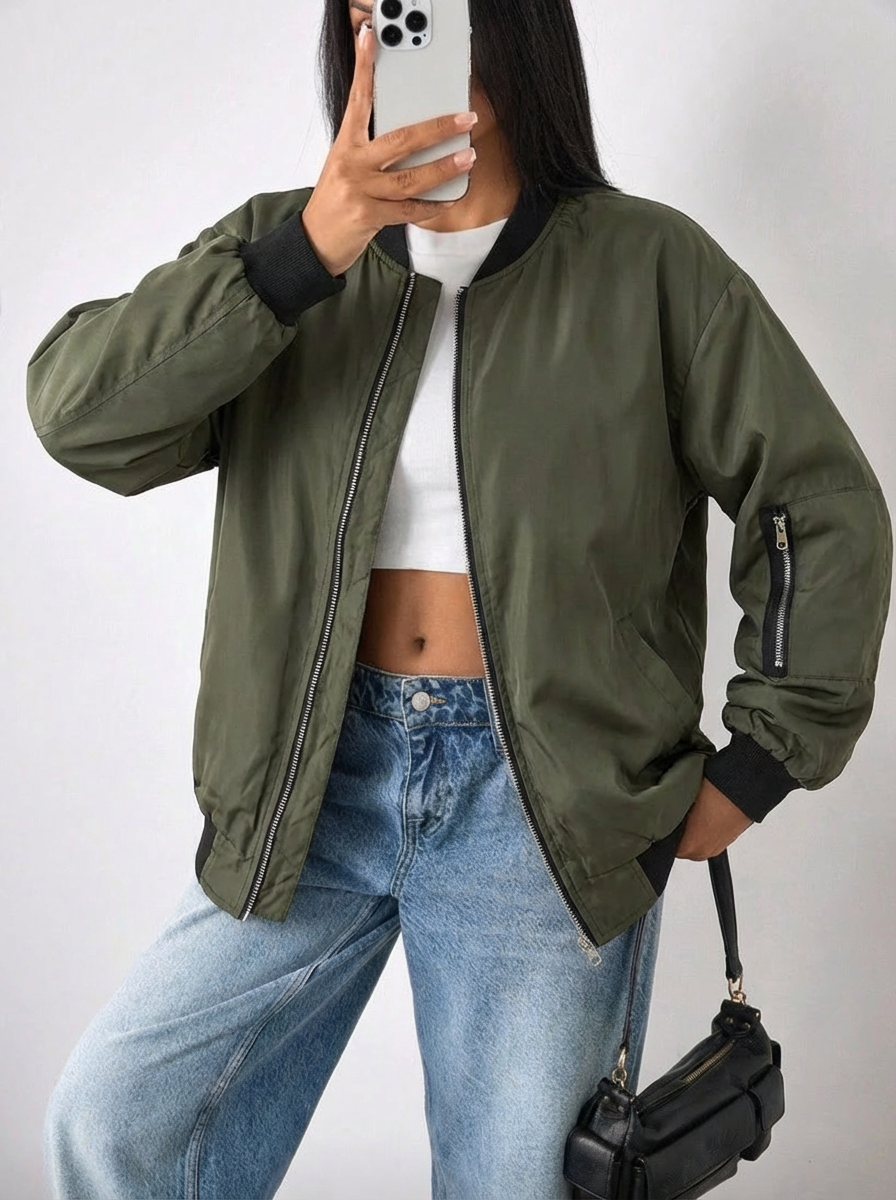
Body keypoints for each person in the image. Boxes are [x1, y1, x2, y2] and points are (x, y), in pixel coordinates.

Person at [26, 2, 892, 1198]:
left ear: (513, 30)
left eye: (427, 13)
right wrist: (308, 251)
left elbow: (815, 504)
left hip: (541, 803)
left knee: (510, 1183)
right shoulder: (283, 253)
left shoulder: (646, 265)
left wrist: (759, 760)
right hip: (308, 781)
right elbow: (80, 416)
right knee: (117, 1123)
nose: (396, 38)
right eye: (371, 14)